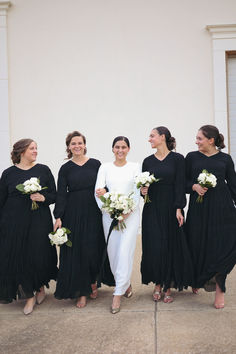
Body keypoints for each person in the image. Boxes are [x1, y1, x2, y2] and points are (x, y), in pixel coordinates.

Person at [0, 139, 58, 315]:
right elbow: (1, 200)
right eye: (32, 148)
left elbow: (54, 195)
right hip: (14, 223)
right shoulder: (8, 173)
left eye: (36, 148)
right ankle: (29, 296)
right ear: (21, 152)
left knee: (38, 255)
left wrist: (43, 198)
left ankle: (40, 287)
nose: (35, 151)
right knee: (21, 257)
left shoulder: (43, 170)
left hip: (38, 222)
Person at [185, 125, 236, 309]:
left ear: (211, 140)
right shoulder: (191, 157)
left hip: (222, 209)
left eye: (199, 138)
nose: (196, 142)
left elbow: (233, 184)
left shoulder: (225, 159)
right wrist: (194, 187)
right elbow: (183, 182)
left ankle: (220, 290)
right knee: (197, 243)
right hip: (199, 209)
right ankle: (198, 279)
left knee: (221, 247)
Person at [141, 127, 193, 303]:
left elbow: (180, 185)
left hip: (171, 207)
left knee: (170, 245)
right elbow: (143, 188)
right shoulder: (147, 161)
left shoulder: (178, 159)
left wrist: (179, 208)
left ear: (162, 137)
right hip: (152, 208)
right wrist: (143, 190)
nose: (149, 139)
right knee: (155, 246)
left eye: (152, 136)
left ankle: (168, 285)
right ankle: (157, 283)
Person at [54, 131, 105, 308]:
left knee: (93, 248)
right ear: (68, 146)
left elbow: (104, 185)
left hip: (94, 211)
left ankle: (93, 282)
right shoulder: (65, 168)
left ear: (85, 144)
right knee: (77, 251)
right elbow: (61, 193)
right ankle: (81, 292)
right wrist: (58, 216)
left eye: (80, 143)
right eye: (73, 143)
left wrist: (105, 193)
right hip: (73, 212)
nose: (77, 146)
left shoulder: (96, 164)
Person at [95, 136, 140, 314]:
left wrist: (127, 211)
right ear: (112, 149)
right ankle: (125, 284)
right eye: (117, 147)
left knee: (124, 251)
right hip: (109, 215)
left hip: (130, 215)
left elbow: (137, 191)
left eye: (123, 147)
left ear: (128, 149)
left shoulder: (135, 167)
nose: (120, 150)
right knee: (113, 252)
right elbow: (98, 191)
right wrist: (111, 209)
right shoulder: (104, 167)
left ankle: (118, 293)